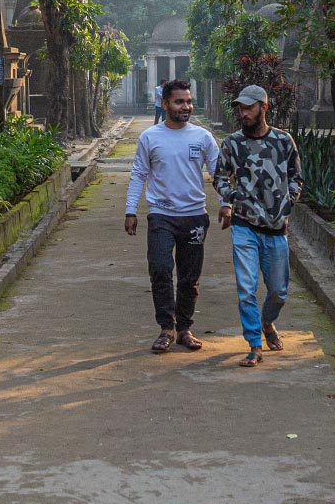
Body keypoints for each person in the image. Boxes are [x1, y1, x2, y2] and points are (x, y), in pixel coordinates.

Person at [125, 78, 221, 353]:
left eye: (189, 101)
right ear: (165, 104)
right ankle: (166, 327)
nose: (186, 106)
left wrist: (226, 203)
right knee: (160, 269)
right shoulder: (150, 137)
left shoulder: (202, 137)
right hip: (161, 215)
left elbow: (218, 174)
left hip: (193, 216)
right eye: (179, 101)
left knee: (189, 278)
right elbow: (139, 175)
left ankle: (184, 329)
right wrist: (130, 210)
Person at [214, 85, 303, 367]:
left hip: (276, 229)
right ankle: (254, 344)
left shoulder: (283, 141)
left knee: (278, 291)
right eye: (241, 107)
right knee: (246, 287)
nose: (243, 112)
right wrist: (232, 197)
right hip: (244, 226)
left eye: (249, 107)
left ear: (264, 108)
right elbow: (219, 177)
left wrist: (288, 201)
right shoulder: (232, 143)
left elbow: (296, 176)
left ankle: (267, 322)